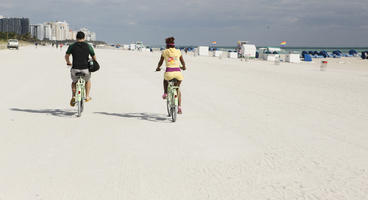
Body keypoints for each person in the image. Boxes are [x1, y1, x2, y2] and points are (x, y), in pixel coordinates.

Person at [65, 31, 97, 106]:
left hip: (75, 69)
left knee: (74, 82)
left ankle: (73, 96)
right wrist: (93, 62)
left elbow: (66, 56)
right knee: (87, 80)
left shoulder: (72, 46)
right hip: (85, 69)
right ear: (84, 38)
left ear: (76, 38)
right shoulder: (88, 46)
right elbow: (94, 57)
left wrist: (68, 62)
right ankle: (87, 96)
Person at [156, 37, 186, 114]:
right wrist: (184, 67)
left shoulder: (164, 52)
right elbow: (183, 62)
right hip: (178, 74)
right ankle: (179, 107)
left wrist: (158, 68)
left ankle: (165, 93)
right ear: (173, 45)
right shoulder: (178, 51)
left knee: (165, 80)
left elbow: (160, 62)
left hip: (169, 73)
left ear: (167, 45)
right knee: (177, 90)